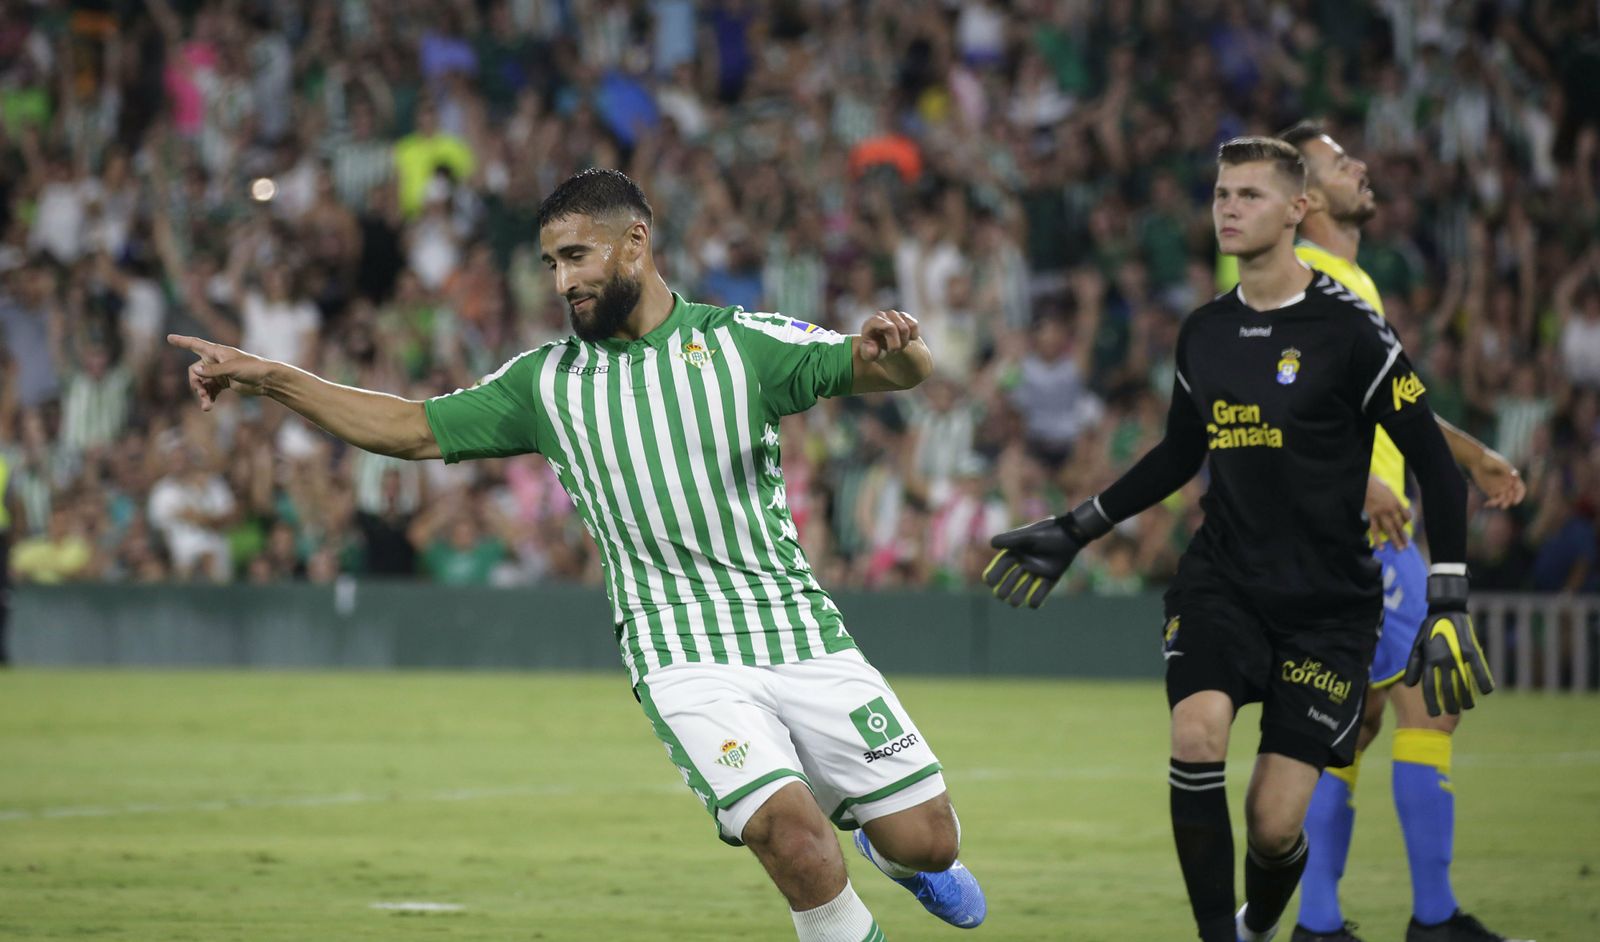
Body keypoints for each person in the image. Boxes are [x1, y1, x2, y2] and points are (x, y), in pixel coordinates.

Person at [168, 168, 985, 941]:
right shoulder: (545, 384)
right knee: (793, 836)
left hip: (798, 632)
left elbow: (892, 372)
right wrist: (272, 378)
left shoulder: (741, 345)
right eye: (551, 265)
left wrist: (900, 346)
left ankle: (889, 843)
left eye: (576, 257)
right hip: (680, 651)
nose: (562, 283)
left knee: (929, 841)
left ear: (635, 243)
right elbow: (409, 427)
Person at [983, 139, 1493, 942]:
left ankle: (1257, 926)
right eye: (1222, 193)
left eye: (1249, 195)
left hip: (1329, 608)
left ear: (1297, 211)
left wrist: (1450, 597)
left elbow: (1433, 459)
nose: (1227, 208)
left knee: (1273, 823)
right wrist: (1079, 526)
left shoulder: (1351, 331)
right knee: (1197, 731)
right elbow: (1180, 455)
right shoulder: (1205, 332)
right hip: (1222, 582)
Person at [1278, 122, 1530, 942]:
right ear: (1306, 199)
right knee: (1431, 703)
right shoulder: (1305, 275)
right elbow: (1279, 403)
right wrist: (1358, 481)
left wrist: (1471, 454)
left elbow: (1397, 399)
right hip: (1355, 527)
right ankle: (1431, 920)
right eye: (1337, 163)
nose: (1360, 165)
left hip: (1354, 528)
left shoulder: (1347, 279)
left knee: (1358, 719)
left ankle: (1320, 922)